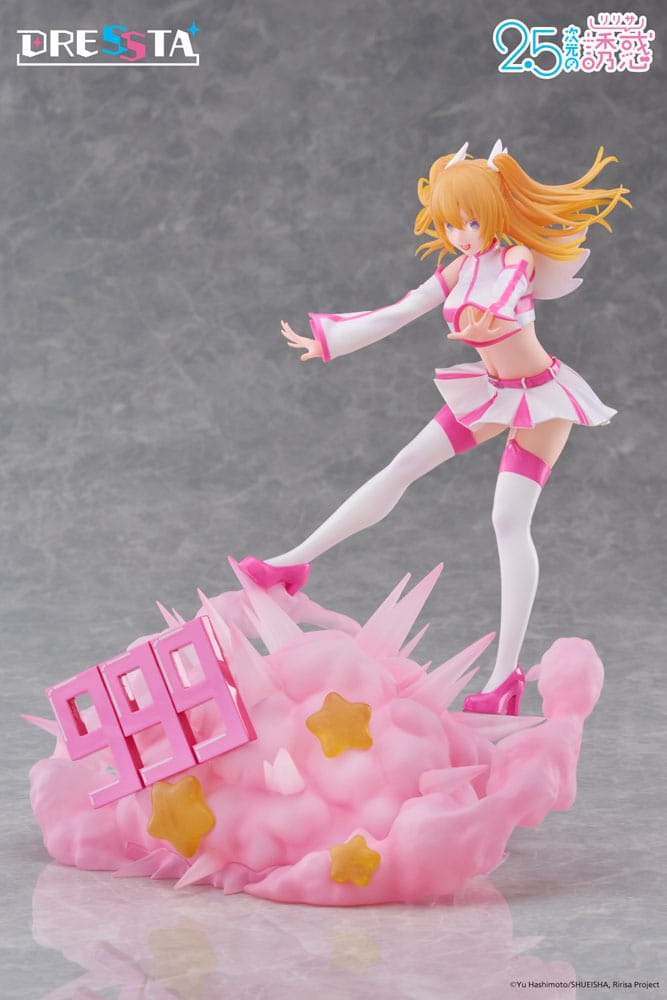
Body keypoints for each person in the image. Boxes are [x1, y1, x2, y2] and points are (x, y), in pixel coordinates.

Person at [239, 140, 629, 715]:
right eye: (451, 224)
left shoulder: (515, 259)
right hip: (490, 394)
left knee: (507, 520)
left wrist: (488, 317)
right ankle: (294, 560)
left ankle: (504, 677)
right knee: (401, 466)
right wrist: (331, 340)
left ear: (494, 214)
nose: (462, 235)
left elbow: (506, 294)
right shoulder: (459, 269)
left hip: (540, 400)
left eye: (471, 221)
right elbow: (400, 311)